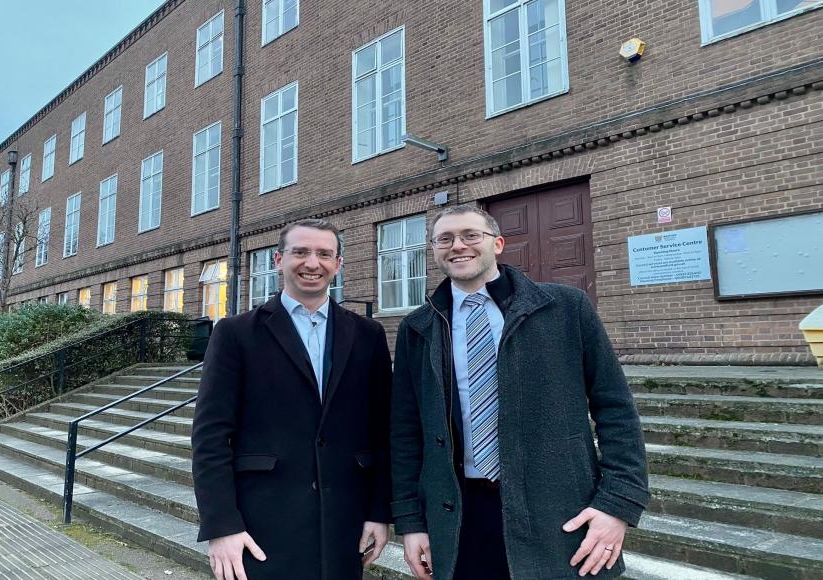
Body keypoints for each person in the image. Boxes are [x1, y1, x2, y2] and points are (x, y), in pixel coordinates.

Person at [390, 204, 649, 580]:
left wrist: (617, 505)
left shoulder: (564, 308)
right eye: (444, 239)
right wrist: (411, 522)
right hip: (460, 515)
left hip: (559, 511)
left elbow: (616, 410)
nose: (457, 246)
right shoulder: (418, 327)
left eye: (470, 235)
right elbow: (406, 432)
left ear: (497, 243)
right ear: (433, 251)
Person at [192, 219, 393, 580]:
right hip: (261, 526)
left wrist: (379, 513)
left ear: (338, 264)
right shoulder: (236, 334)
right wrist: (221, 525)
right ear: (278, 259)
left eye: (323, 254)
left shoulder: (368, 334)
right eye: (300, 252)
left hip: (344, 524)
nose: (311, 263)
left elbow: (382, 431)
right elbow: (210, 437)